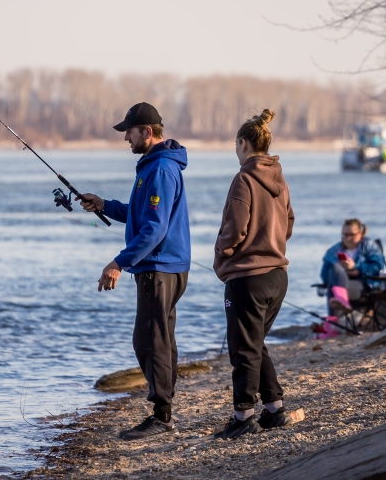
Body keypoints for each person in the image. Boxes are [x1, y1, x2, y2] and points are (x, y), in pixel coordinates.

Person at [78, 102, 190, 441]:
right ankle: (165, 410)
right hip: (164, 267)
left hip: (159, 268)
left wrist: (118, 262)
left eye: (129, 130)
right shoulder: (152, 167)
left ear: (148, 131)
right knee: (159, 338)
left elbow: (154, 230)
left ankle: (162, 416)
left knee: (149, 340)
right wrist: (105, 205)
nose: (125, 137)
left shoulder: (159, 170)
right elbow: (141, 216)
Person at [212, 109, 296, 440]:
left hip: (248, 277)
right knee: (255, 343)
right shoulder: (279, 177)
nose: (235, 149)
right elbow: (289, 222)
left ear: (243, 144)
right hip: (277, 275)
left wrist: (222, 252)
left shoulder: (244, 179)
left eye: (235, 144)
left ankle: (243, 415)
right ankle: (274, 410)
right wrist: (272, 244)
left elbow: (234, 228)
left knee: (243, 348)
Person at [320, 219, 385, 318]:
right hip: (339, 284)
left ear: (360, 233)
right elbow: (324, 276)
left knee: (332, 288)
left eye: (351, 234)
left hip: (364, 284)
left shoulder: (369, 246)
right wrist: (341, 271)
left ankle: (333, 319)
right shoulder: (334, 250)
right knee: (334, 270)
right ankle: (340, 305)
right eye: (345, 235)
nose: (347, 238)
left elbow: (377, 267)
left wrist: (357, 268)